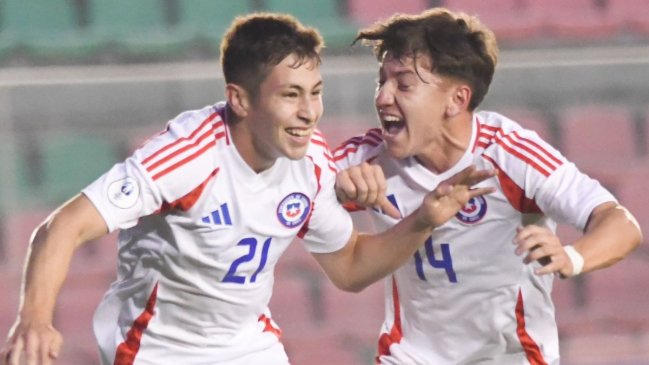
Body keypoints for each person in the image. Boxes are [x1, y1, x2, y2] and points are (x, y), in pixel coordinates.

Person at [1, 12, 496, 365]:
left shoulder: (311, 162)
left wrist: (424, 220)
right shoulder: (187, 157)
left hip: (248, 346)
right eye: (290, 95)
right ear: (239, 99)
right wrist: (35, 319)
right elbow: (61, 227)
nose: (309, 113)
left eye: (316, 94)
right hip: (159, 348)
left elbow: (348, 268)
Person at [333, 7, 643, 365]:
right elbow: (287, 192)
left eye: (403, 84)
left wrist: (572, 257)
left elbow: (620, 223)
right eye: (380, 81)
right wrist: (337, 189)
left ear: (457, 100)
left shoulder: (510, 153)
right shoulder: (367, 158)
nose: (383, 97)